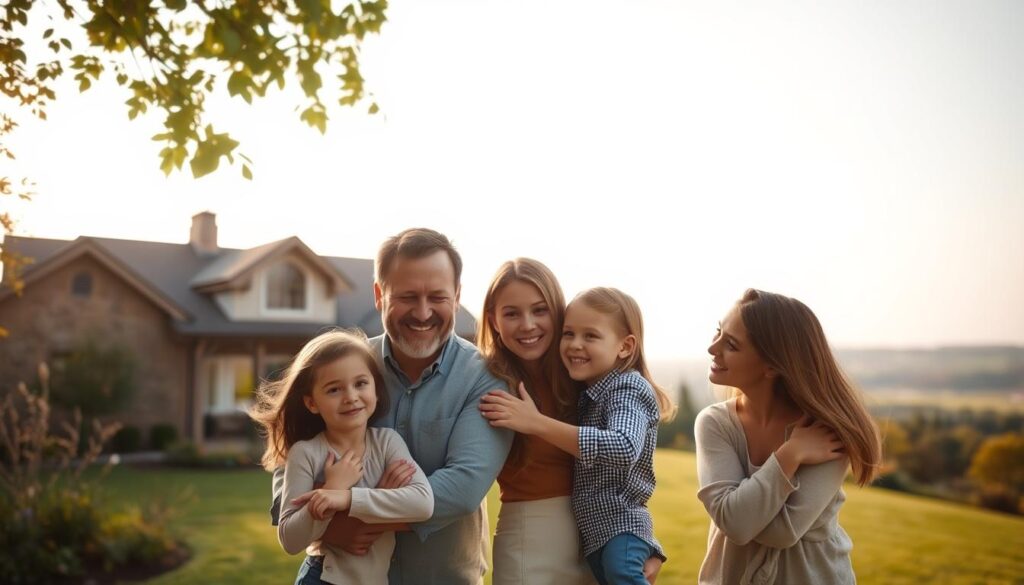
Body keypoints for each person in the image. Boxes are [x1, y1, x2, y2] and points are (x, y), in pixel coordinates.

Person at [270, 228, 514, 585]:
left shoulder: (485, 378)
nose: (423, 311)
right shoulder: (347, 367)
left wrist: (354, 508)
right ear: (379, 296)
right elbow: (291, 453)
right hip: (339, 574)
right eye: (408, 296)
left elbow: (462, 489)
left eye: (438, 296)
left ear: (458, 296)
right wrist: (323, 524)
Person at [480, 287, 674, 585]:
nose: (575, 345)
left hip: (612, 532)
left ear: (625, 347)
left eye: (590, 336)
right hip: (583, 537)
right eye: (569, 333)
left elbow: (623, 448)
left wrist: (537, 422)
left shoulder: (625, 388)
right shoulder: (586, 390)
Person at [695, 289, 882, 585]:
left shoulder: (829, 430)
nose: (712, 348)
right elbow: (735, 523)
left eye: (730, 344)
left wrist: (741, 510)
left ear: (772, 366)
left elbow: (782, 532)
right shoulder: (715, 423)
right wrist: (790, 455)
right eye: (718, 332)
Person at [251, 330, 433, 585]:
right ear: (312, 403)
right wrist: (331, 487)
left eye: (360, 383)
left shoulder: (387, 443)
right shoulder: (306, 454)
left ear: (376, 390)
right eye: (334, 389)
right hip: (322, 578)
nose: (350, 396)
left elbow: (423, 503)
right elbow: (290, 540)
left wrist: (345, 498)